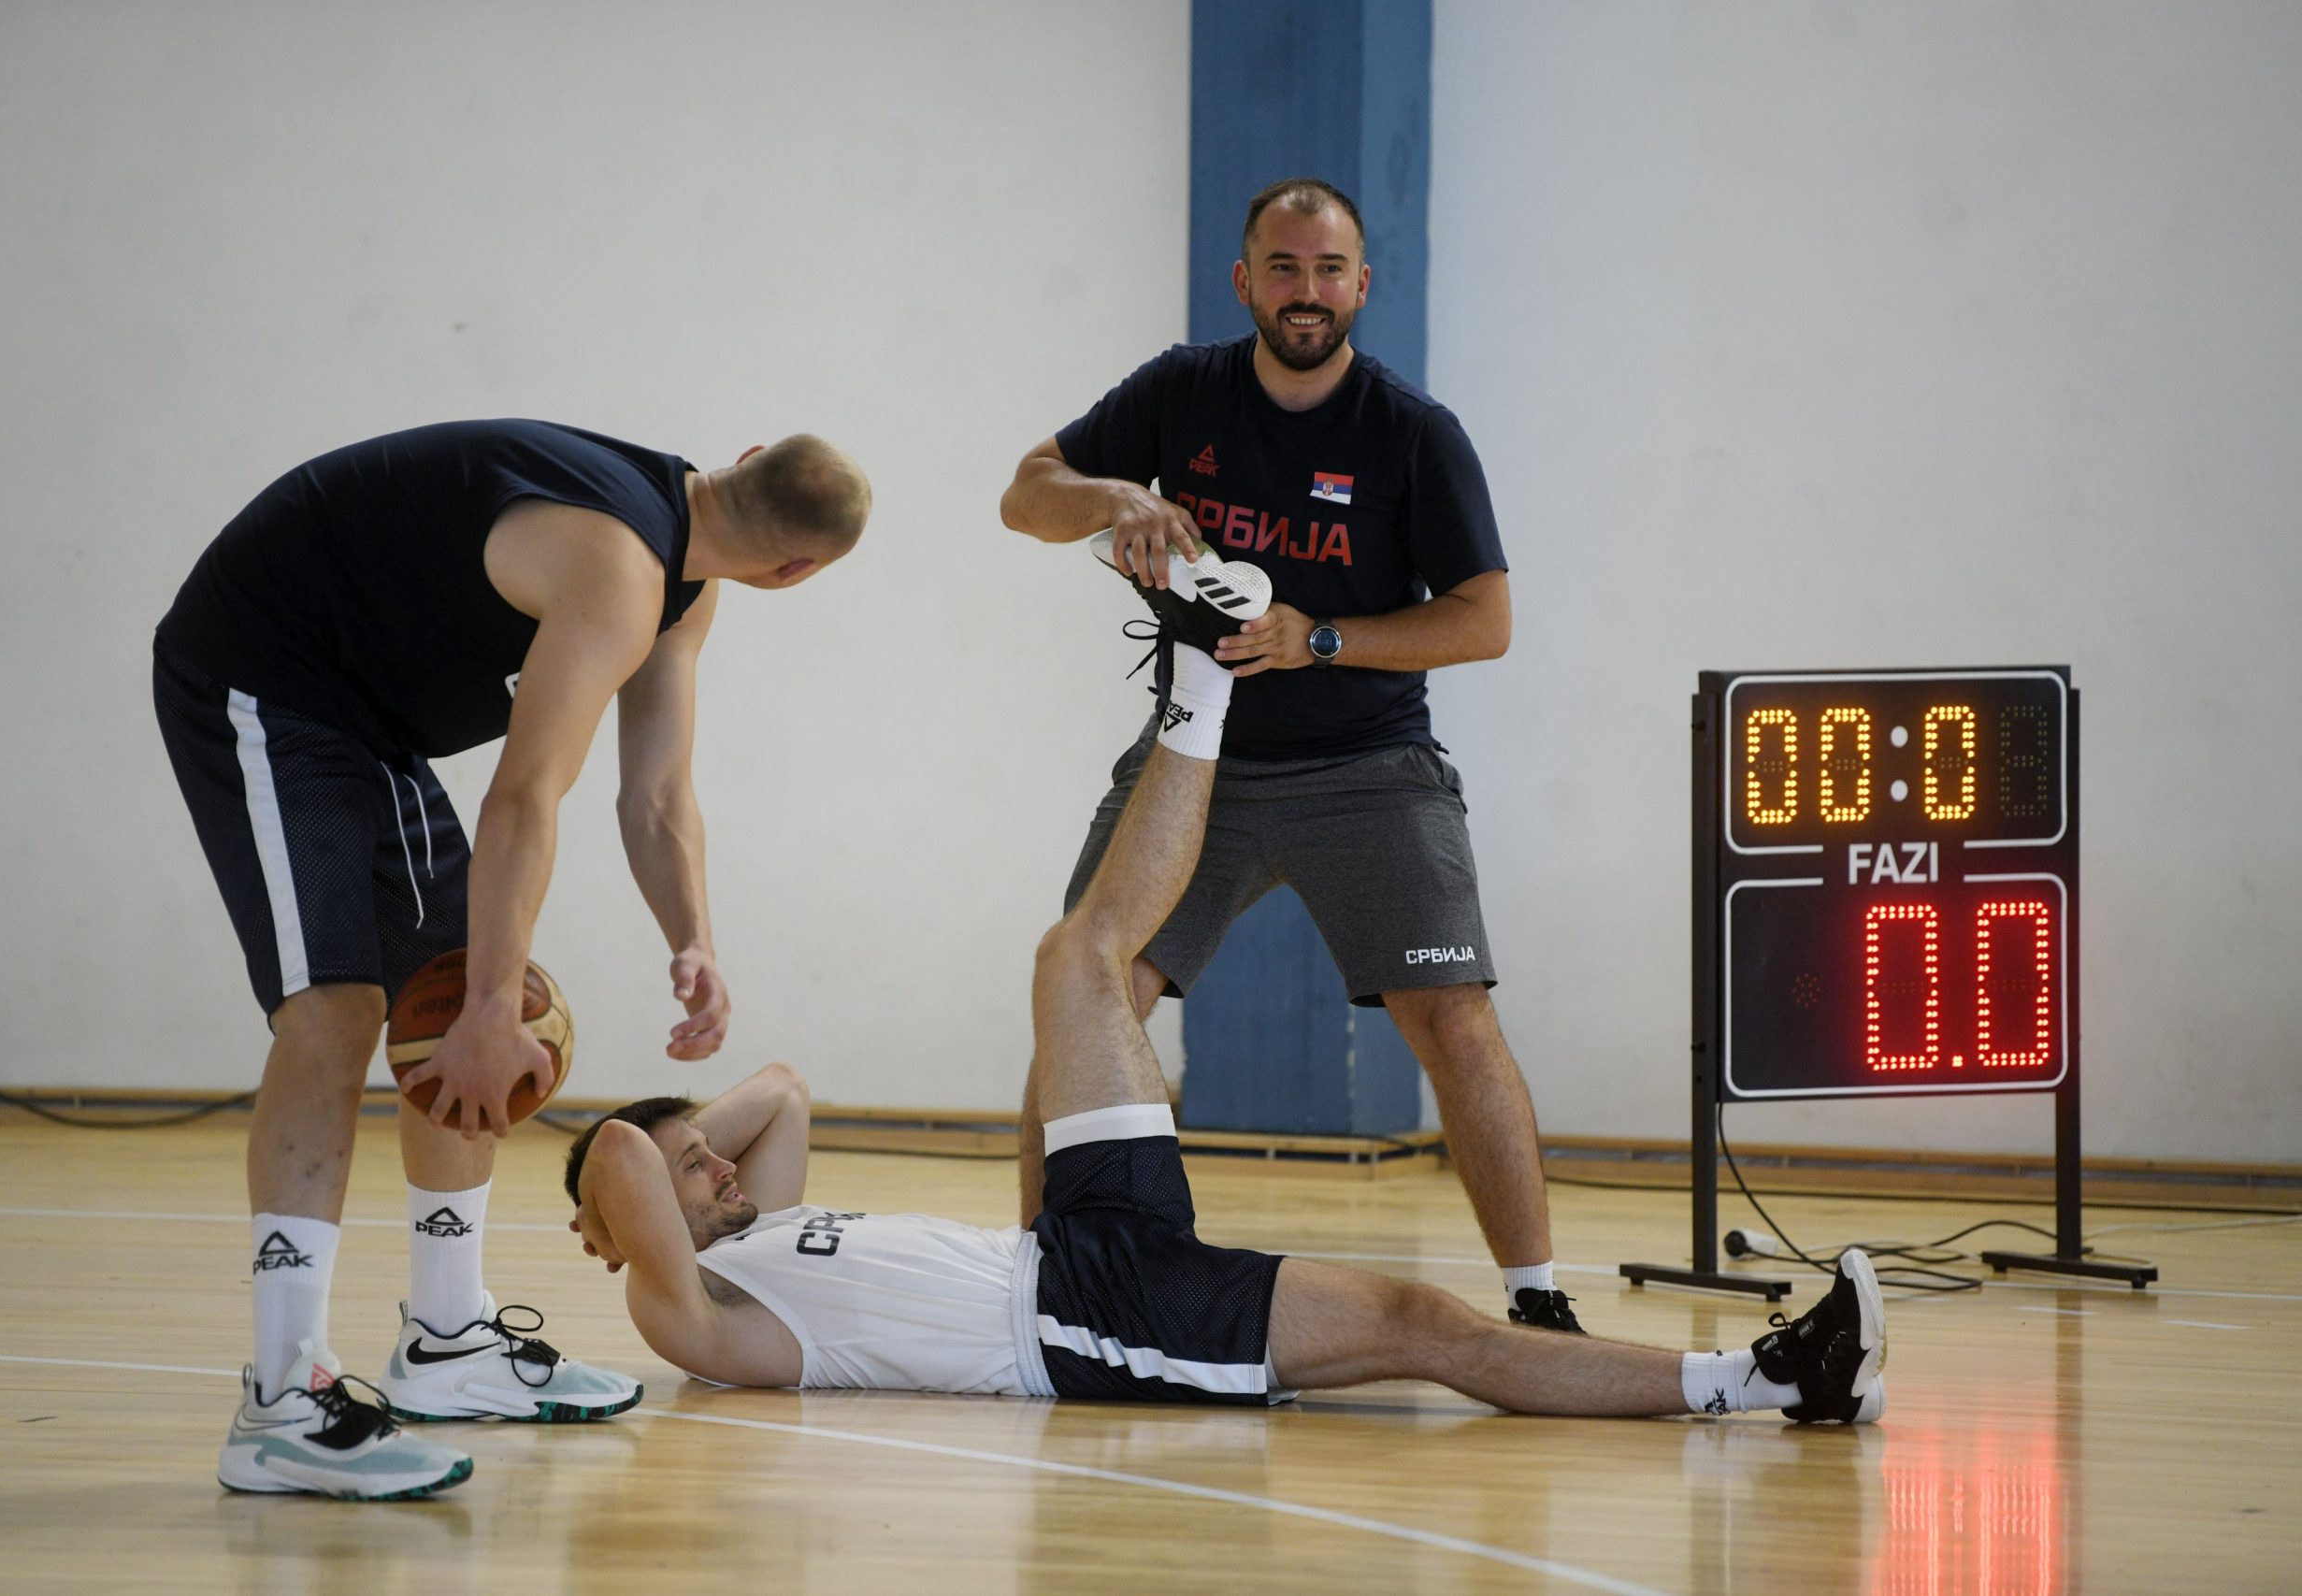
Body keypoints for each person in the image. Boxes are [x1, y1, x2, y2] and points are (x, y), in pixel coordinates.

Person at [564, 633, 1887, 1425]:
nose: (718, 1160)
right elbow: (623, 1153)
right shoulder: (702, 1317)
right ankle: (1765, 1381)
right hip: (1088, 1323)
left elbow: (782, 1089)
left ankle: (1204, 679)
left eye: (705, 1153)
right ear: (632, 1233)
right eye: (693, 1171)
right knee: (1427, 1321)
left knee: (1077, 955)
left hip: (1079, 1239)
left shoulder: (759, 1231)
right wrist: (628, 1193)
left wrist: (683, 1173)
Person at [153, 419, 870, 1499]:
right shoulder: (618, 565)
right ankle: (281, 1399)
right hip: (261, 673)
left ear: (747, 455)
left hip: (363, 715)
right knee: (340, 1009)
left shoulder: (682, 573)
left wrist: (693, 939)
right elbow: (523, 796)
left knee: (437, 995)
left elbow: (658, 794)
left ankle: (446, 1339)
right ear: (799, 573)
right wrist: (493, 1000)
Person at [995, 178, 1578, 1331]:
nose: (1304, 291)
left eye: (1327, 270)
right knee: (1089, 987)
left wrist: (1317, 640)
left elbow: (1484, 620)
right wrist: (1115, 497)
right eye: (1282, 267)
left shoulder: (1413, 433)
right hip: (1191, 760)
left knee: (1453, 1017)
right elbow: (1025, 495)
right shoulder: (1180, 390)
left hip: (1368, 766)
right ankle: (1034, 1290)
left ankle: (1537, 1300)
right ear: (1244, 280)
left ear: (1362, 284)